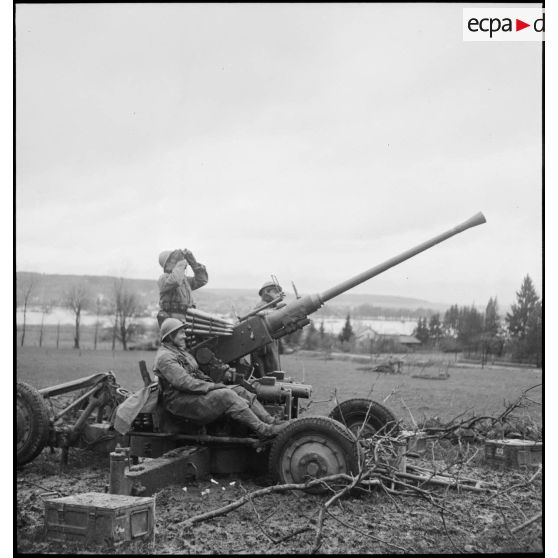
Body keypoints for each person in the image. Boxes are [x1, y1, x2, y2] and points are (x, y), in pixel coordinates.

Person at [154, 318, 288, 439]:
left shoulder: (179, 352)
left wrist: (214, 384)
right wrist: (213, 387)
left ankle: (270, 421)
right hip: (179, 402)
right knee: (226, 395)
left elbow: (197, 373)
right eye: (181, 333)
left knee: (239, 390)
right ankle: (264, 430)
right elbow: (184, 382)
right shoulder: (165, 357)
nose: (185, 336)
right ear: (170, 336)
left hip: (189, 395)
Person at [157, 248, 208, 326]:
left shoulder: (184, 280)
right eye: (173, 259)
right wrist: (181, 263)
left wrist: (193, 262)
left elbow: (201, 280)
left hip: (187, 321)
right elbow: (176, 280)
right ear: (167, 264)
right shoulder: (163, 278)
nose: (176, 261)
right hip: (172, 322)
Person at [250, 281, 285, 377]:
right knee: (267, 373)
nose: (278, 294)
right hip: (263, 345)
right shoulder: (262, 305)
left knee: (272, 370)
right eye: (276, 292)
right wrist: (275, 309)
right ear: (267, 292)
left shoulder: (269, 305)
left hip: (268, 342)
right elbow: (257, 314)